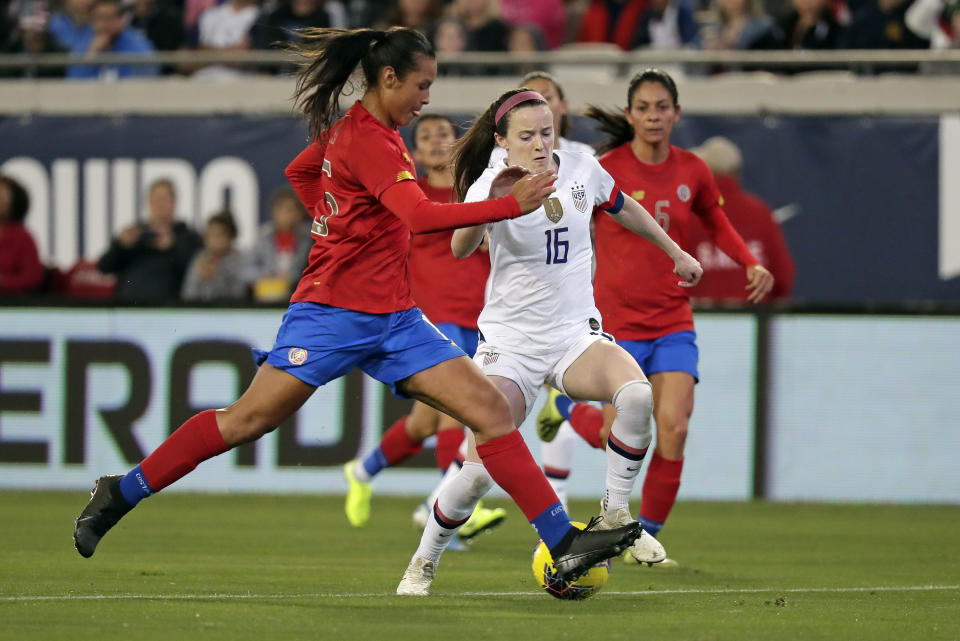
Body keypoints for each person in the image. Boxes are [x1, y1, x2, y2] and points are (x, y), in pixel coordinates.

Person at [72, 27, 642, 592]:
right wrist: (502, 205)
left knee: (491, 413)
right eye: (421, 86)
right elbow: (419, 217)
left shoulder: (363, 132)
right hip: (331, 314)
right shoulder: (370, 140)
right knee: (247, 420)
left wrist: (335, 221)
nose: (426, 99)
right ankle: (119, 492)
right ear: (388, 78)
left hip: (395, 318)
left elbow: (302, 172)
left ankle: (562, 543)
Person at [396, 86, 705, 596]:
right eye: (527, 136)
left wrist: (675, 251)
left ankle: (613, 514)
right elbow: (458, 246)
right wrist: (497, 204)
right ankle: (422, 563)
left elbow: (623, 205)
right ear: (502, 139)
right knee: (477, 471)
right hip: (510, 344)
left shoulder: (581, 166)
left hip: (573, 336)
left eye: (547, 132)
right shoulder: (489, 179)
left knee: (637, 395)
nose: (540, 144)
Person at [536, 69, 774, 566]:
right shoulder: (604, 169)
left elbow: (717, 221)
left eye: (661, 107)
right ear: (630, 114)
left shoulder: (693, 170)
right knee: (611, 437)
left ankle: (646, 538)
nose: (652, 116)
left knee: (676, 429)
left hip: (672, 321)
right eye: (643, 108)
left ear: (676, 114)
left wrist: (750, 262)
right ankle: (566, 410)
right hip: (615, 324)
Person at [342, 113, 506, 545]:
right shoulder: (407, 197)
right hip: (429, 318)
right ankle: (448, 516)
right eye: (427, 136)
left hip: (480, 317)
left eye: (445, 135)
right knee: (459, 410)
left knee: (422, 426)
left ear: (458, 145)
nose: (436, 142)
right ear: (413, 152)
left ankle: (362, 471)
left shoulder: (477, 193)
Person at [686, 136, 795, 303]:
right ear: (736, 173)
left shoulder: (690, 215)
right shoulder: (760, 213)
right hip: (755, 323)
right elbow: (782, 276)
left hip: (699, 322)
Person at [97, 178, 203, 304]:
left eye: (164, 199)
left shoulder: (187, 236)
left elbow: (199, 271)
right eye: (155, 199)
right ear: (148, 202)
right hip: (128, 308)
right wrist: (120, 246)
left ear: (174, 202)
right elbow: (104, 267)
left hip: (168, 310)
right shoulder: (135, 234)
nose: (159, 204)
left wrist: (172, 247)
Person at [246, 187, 313, 302]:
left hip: (298, 296)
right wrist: (266, 276)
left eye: (292, 210)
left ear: (299, 213)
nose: (288, 215)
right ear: (274, 211)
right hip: (264, 296)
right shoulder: (262, 236)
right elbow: (247, 269)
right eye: (284, 210)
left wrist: (290, 279)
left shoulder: (309, 238)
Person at [66, 0, 159, 79]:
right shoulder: (84, 42)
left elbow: (148, 74)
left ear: (121, 20)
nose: (103, 24)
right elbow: (73, 82)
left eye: (109, 18)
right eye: (99, 18)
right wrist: (90, 56)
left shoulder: (137, 43)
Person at [181, 209, 249, 302]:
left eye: (218, 235)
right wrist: (200, 278)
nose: (213, 240)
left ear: (231, 236)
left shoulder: (241, 261)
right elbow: (187, 295)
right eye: (209, 234)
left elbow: (238, 296)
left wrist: (215, 277)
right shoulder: (200, 259)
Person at [0, 174, 45, 295]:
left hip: (11, 305)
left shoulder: (23, 238)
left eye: (2, 197)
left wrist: (3, 282)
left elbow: (32, 279)